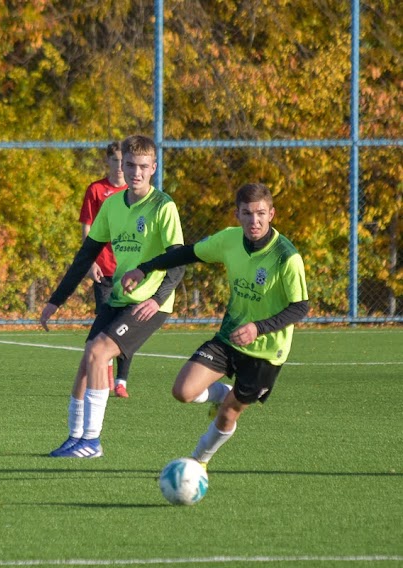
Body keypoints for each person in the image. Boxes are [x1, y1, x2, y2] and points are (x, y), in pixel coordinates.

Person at [121, 183, 309, 470]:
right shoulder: (229, 240)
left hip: (267, 353)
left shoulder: (287, 257)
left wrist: (258, 328)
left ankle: (198, 462)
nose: (254, 221)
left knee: (227, 415)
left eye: (260, 213)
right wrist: (145, 267)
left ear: (272, 214)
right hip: (229, 337)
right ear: (237, 215)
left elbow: (300, 307)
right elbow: (187, 253)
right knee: (182, 392)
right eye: (247, 213)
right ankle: (222, 393)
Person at [40, 134, 185, 458]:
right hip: (120, 296)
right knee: (86, 360)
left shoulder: (163, 206)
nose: (135, 172)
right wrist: (56, 299)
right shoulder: (112, 205)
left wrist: (157, 299)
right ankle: (76, 437)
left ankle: (92, 441)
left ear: (153, 168)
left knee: (99, 353)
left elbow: (179, 261)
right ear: (122, 165)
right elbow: (85, 254)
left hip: (149, 302)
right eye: (129, 165)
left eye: (143, 166)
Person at [80, 141, 133, 398]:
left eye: (125, 161)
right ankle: (108, 376)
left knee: (129, 324)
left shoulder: (135, 192)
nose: (121, 166)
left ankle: (122, 380)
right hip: (104, 269)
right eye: (116, 160)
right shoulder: (96, 190)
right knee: (104, 323)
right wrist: (91, 262)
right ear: (108, 162)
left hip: (129, 271)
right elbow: (87, 228)